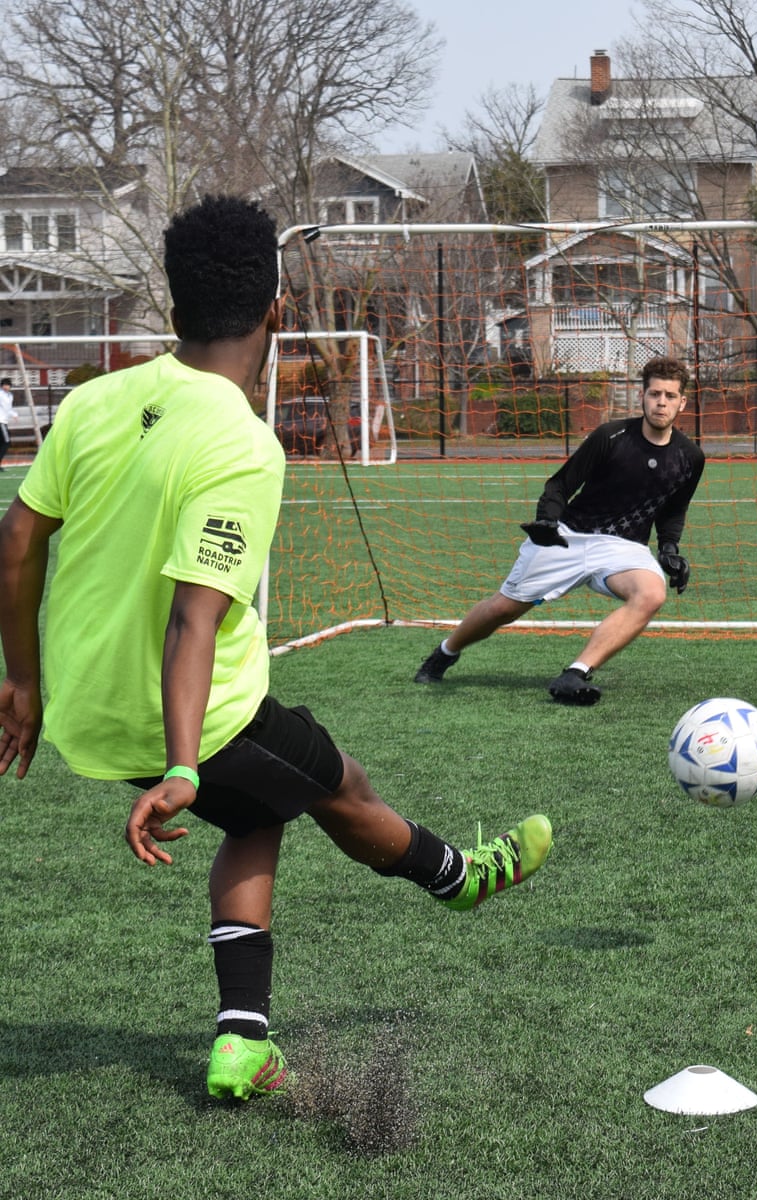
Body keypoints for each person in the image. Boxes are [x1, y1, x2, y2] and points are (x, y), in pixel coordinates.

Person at [0, 195, 552, 1102]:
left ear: (173, 311)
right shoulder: (245, 445)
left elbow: (18, 540)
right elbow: (194, 622)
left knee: (256, 814)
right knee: (342, 787)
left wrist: (22, 680)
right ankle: (458, 878)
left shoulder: (94, 400)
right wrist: (182, 766)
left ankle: (242, 1040)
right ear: (278, 314)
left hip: (88, 712)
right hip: (191, 718)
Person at [415, 356, 705, 705]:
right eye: (655, 394)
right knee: (502, 609)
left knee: (651, 594)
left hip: (623, 548)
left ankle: (575, 673)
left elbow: (674, 509)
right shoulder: (610, 436)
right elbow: (559, 485)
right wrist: (547, 521)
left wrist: (669, 549)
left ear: (682, 402)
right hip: (569, 535)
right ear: (641, 396)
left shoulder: (691, 457)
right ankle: (446, 651)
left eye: (670, 396)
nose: (662, 402)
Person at [0, 378, 13, 470]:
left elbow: (9, 408)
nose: (6, 386)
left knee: (2, 443)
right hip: (1, 421)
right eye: (4, 384)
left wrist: (14, 414)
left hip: (4, 421)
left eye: (8, 385)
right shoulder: (0, 394)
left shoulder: (10, 395)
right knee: (6, 442)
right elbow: (5, 407)